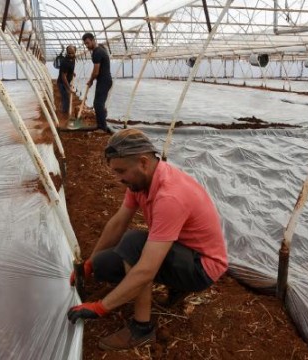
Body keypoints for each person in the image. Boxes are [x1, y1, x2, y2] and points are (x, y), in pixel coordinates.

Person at [67, 129, 228, 351]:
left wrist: (101, 307)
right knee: (103, 265)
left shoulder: (170, 196)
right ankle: (175, 286)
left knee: (133, 244)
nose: (118, 178)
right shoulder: (140, 182)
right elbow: (118, 222)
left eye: (121, 171)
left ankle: (141, 329)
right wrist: (90, 263)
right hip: (181, 251)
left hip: (202, 266)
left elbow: (146, 270)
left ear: (143, 162)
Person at [81, 32, 112, 133]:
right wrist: (92, 80)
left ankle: (102, 128)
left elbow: (96, 71)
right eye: (85, 44)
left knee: (98, 104)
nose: (87, 46)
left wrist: (90, 81)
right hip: (104, 80)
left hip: (104, 80)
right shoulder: (100, 49)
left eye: (88, 43)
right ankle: (100, 125)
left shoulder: (97, 52)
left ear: (93, 40)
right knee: (99, 103)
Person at [57, 45, 76, 115]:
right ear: (67, 53)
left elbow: (70, 67)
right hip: (62, 83)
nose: (71, 55)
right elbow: (63, 77)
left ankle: (65, 110)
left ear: (75, 52)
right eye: (69, 53)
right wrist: (69, 88)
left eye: (72, 53)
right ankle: (64, 114)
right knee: (66, 99)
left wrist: (72, 72)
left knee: (66, 98)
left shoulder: (73, 59)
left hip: (66, 82)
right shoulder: (65, 62)